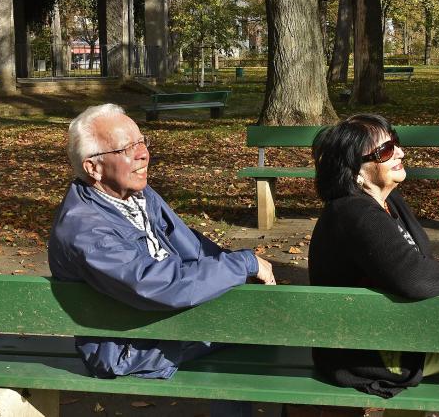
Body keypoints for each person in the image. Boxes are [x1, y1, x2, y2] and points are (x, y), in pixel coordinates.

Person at [49, 103, 275, 384]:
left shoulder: (136, 195)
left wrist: (238, 275)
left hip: (158, 323)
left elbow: (191, 247)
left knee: (260, 314)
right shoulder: (85, 230)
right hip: (129, 347)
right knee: (260, 329)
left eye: (141, 142)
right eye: (125, 149)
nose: (143, 154)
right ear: (93, 168)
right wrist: (243, 264)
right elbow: (158, 285)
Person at [308, 113, 439, 400]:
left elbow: (420, 266)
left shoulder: (388, 203)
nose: (400, 152)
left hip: (396, 334)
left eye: (396, 143)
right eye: (386, 150)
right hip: (370, 354)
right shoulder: (354, 213)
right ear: (357, 170)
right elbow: (415, 278)